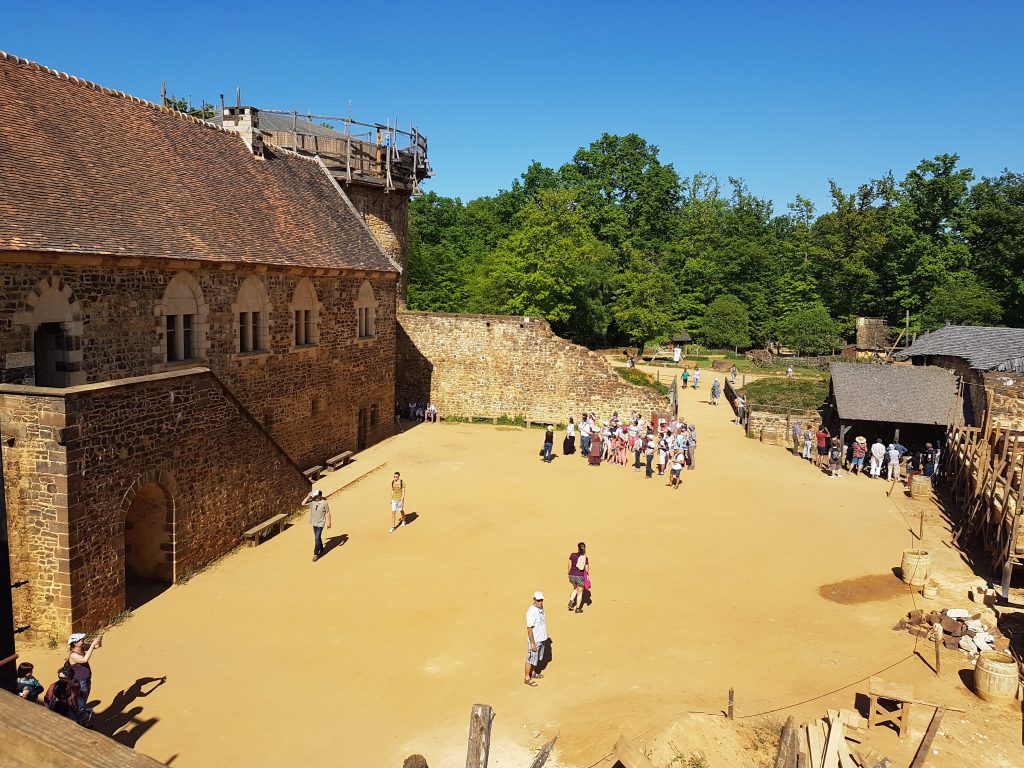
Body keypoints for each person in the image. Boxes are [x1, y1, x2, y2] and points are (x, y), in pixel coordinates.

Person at [67, 632, 101, 715]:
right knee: (80, 702)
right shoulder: (73, 655)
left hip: (86, 680)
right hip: (80, 682)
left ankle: (79, 714)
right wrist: (92, 644)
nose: (83, 641)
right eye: (82, 640)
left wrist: (99, 640)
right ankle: (78, 718)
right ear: (75, 643)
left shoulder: (82, 648)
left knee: (83, 699)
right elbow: (84, 659)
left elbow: (97, 646)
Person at [524, 591, 548, 685]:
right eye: (538, 600)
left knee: (536, 658)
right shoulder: (531, 612)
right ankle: (527, 678)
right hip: (535, 640)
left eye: (541, 600)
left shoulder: (540, 607)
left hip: (541, 639)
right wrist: (532, 643)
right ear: (534, 600)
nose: (540, 602)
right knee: (530, 659)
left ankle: (533, 673)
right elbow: (529, 629)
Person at [302, 488, 331, 559]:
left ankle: (315, 554)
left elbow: (327, 512)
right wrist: (308, 496)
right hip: (314, 523)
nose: (315, 497)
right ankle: (321, 549)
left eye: (316, 496)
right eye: (314, 496)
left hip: (321, 523)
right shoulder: (312, 502)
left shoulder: (324, 503)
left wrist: (329, 522)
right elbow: (302, 503)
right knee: (318, 538)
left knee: (316, 538)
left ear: (320, 496)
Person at [567, 543, 589, 613]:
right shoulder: (585, 558)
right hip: (580, 576)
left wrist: (569, 573)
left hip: (572, 575)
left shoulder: (572, 555)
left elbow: (569, 565)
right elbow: (587, 569)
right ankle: (577, 609)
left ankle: (571, 602)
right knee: (580, 592)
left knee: (575, 588)